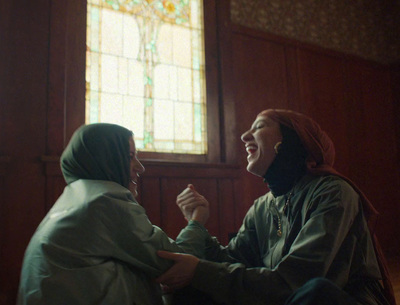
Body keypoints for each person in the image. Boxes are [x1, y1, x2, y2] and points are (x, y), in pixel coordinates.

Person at [156, 109, 396, 305]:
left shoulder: (333, 191)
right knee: (191, 289)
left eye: (259, 126)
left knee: (316, 294)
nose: (244, 136)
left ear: (291, 139)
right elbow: (229, 260)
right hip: (287, 297)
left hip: (331, 299)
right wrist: (196, 221)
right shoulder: (262, 206)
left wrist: (199, 271)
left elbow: (297, 281)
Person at [17, 123, 207, 305]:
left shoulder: (76, 196)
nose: (140, 167)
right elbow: (180, 261)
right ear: (106, 159)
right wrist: (196, 220)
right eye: (130, 157)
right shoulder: (104, 200)